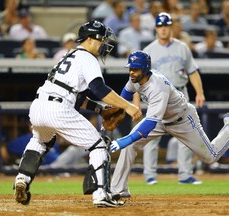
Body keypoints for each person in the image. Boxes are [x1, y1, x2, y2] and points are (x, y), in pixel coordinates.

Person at [13, 20, 142, 208]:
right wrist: (128, 106)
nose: (104, 44)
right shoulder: (87, 57)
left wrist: (99, 109)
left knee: (41, 141)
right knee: (99, 145)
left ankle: (22, 179)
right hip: (58, 108)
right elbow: (98, 88)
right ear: (90, 39)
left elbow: (79, 97)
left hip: (38, 106)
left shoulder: (69, 55)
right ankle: (101, 195)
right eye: (101, 39)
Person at [109, 50, 229, 197]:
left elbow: (150, 124)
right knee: (129, 147)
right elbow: (125, 94)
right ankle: (119, 190)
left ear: (145, 69)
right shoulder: (135, 79)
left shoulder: (157, 86)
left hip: (182, 119)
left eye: (135, 69)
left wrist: (125, 139)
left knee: (210, 157)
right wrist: (117, 112)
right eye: (130, 68)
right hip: (160, 119)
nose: (131, 72)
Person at [141, 12, 205, 185]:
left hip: (180, 94)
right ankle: (150, 175)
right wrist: (136, 102)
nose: (163, 29)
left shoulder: (182, 47)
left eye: (166, 26)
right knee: (151, 137)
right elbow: (139, 78)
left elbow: (193, 71)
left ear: (171, 27)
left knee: (186, 136)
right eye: (160, 26)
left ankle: (185, 175)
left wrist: (199, 92)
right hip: (158, 97)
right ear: (156, 28)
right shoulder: (148, 51)